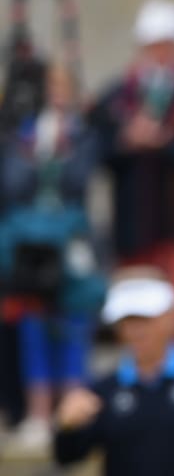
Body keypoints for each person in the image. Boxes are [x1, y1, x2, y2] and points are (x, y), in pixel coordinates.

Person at [88, 0, 174, 357]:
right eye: (153, 46)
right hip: (136, 231)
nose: (160, 53)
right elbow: (100, 154)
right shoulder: (118, 95)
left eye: (167, 45)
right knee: (134, 320)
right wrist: (128, 141)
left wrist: (162, 142)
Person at [53, 270, 174, 476]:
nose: (136, 330)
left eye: (145, 319)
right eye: (128, 321)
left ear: (171, 317)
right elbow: (69, 455)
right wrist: (67, 426)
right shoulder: (105, 389)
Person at [0, 62, 104, 447]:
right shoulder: (19, 134)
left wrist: (60, 148)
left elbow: (78, 179)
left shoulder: (83, 134)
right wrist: (38, 151)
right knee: (31, 322)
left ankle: (72, 414)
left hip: (70, 238)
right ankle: (38, 413)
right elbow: (13, 182)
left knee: (74, 322)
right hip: (27, 240)